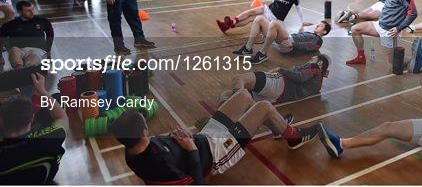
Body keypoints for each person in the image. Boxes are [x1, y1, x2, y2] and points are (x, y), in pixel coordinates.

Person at [111, 90, 320, 184]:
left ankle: (276, 126)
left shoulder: (132, 149)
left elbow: (164, 150)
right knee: (264, 107)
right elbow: (197, 183)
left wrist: (183, 139)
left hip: (204, 138)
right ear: (143, 133)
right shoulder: (157, 164)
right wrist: (191, 149)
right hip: (217, 152)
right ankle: (293, 137)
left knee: (244, 95)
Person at [0, 73, 67, 184]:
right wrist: (42, 91)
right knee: (57, 98)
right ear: (32, 118)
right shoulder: (49, 139)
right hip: (43, 180)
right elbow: (61, 117)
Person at [346, 0, 417, 65]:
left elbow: (413, 13)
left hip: (390, 31)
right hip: (379, 24)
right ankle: (361, 57)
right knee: (355, 29)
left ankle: (420, 60)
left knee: (393, 62)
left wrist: (398, 28)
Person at [229, 54, 330, 104]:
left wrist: (280, 69)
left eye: (314, 58)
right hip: (278, 94)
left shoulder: (315, 68)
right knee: (229, 97)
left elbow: (300, 77)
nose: (311, 58)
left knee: (238, 78)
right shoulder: (317, 83)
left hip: (279, 83)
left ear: (320, 63)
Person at [232, 17, 331, 65]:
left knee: (276, 23)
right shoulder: (311, 34)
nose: (317, 25)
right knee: (259, 19)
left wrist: (293, 44)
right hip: (285, 40)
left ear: (325, 31)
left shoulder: (318, 40)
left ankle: (262, 53)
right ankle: (247, 49)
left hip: (289, 45)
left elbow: (308, 46)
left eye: (321, 26)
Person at [0, 0, 54, 69]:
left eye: (32, 9)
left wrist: (48, 51)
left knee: (32, 59)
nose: (32, 13)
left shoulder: (42, 22)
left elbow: (50, 34)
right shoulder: (10, 25)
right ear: (20, 12)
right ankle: (19, 68)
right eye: (28, 11)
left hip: (36, 50)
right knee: (14, 50)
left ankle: (26, 69)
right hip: (18, 50)